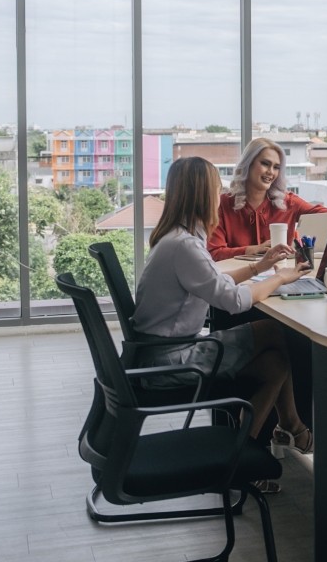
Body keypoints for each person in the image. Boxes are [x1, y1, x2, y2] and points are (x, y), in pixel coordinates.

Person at [131, 156, 316, 492]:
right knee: (275, 331)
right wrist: (282, 278)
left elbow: (213, 279)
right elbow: (234, 302)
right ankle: (291, 424)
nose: (220, 195)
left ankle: (242, 455)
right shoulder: (185, 245)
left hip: (157, 353)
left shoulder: (176, 238)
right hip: (171, 362)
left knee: (275, 364)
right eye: (216, 188)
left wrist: (260, 266)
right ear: (203, 194)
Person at [208, 136, 327, 261]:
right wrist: (255, 249)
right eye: (265, 164)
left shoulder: (288, 203)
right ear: (249, 164)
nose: (271, 172)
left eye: (276, 167)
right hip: (237, 290)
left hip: (280, 283)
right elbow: (214, 253)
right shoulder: (222, 205)